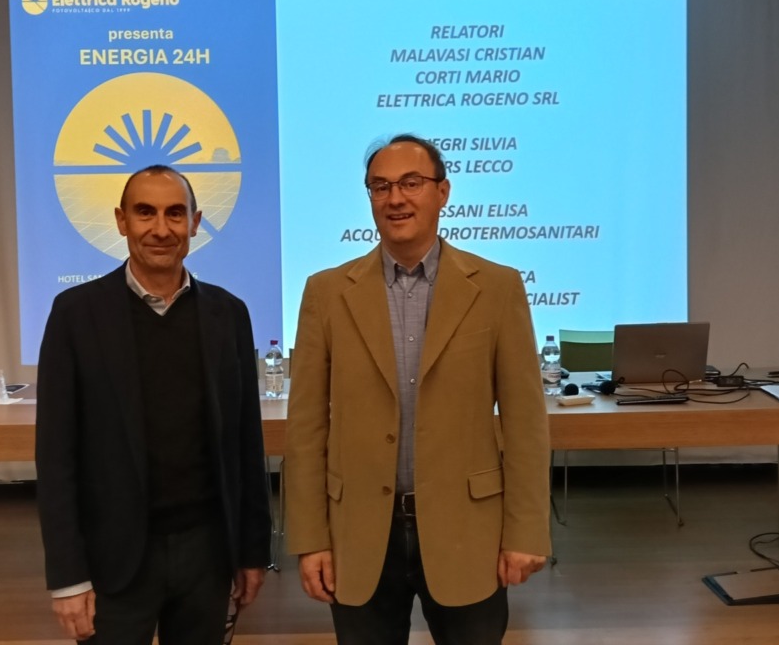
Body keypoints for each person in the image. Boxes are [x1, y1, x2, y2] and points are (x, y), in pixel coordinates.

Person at [284, 134, 552, 645]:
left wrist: (526, 532)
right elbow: (306, 427)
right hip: (359, 535)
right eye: (380, 186)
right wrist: (310, 539)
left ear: (443, 192)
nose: (395, 199)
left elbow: (525, 424)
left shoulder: (497, 288)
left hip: (466, 533)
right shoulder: (326, 292)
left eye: (411, 183)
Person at [35, 165, 270, 644]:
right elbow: (56, 457)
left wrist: (252, 552)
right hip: (113, 559)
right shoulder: (75, 314)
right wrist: (67, 577)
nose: (161, 229)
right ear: (121, 221)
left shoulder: (228, 314)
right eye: (145, 213)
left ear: (195, 223)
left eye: (175, 214)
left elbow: (246, 445)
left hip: (206, 555)